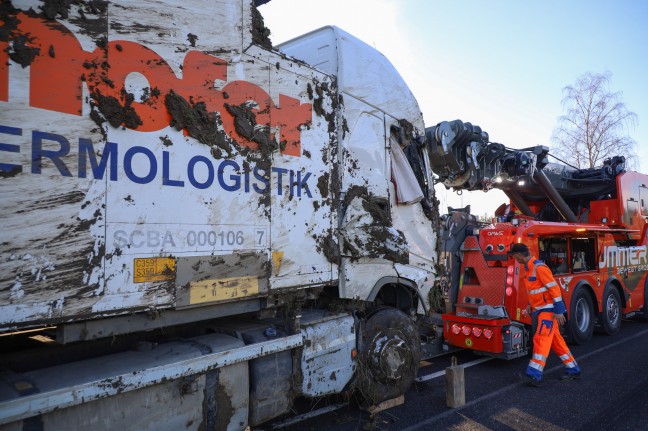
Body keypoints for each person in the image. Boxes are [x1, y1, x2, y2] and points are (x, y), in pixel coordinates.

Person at [508, 243, 581, 386]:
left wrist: (559, 311)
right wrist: (531, 305)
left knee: (541, 340)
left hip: (548, 313)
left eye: (513, 256)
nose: (514, 259)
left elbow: (554, 289)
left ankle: (534, 375)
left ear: (518, 255)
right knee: (557, 344)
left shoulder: (539, 268)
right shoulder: (529, 269)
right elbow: (537, 291)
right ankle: (573, 369)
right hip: (542, 311)